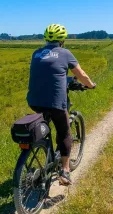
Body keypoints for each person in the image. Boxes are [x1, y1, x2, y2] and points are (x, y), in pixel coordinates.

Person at [27, 24, 96, 186]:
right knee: (64, 133)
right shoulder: (65, 53)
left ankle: (44, 155)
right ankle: (65, 170)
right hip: (56, 103)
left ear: (46, 39)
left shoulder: (36, 53)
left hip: (34, 101)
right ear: (62, 40)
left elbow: (48, 72)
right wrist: (91, 85)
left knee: (46, 128)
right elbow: (82, 75)